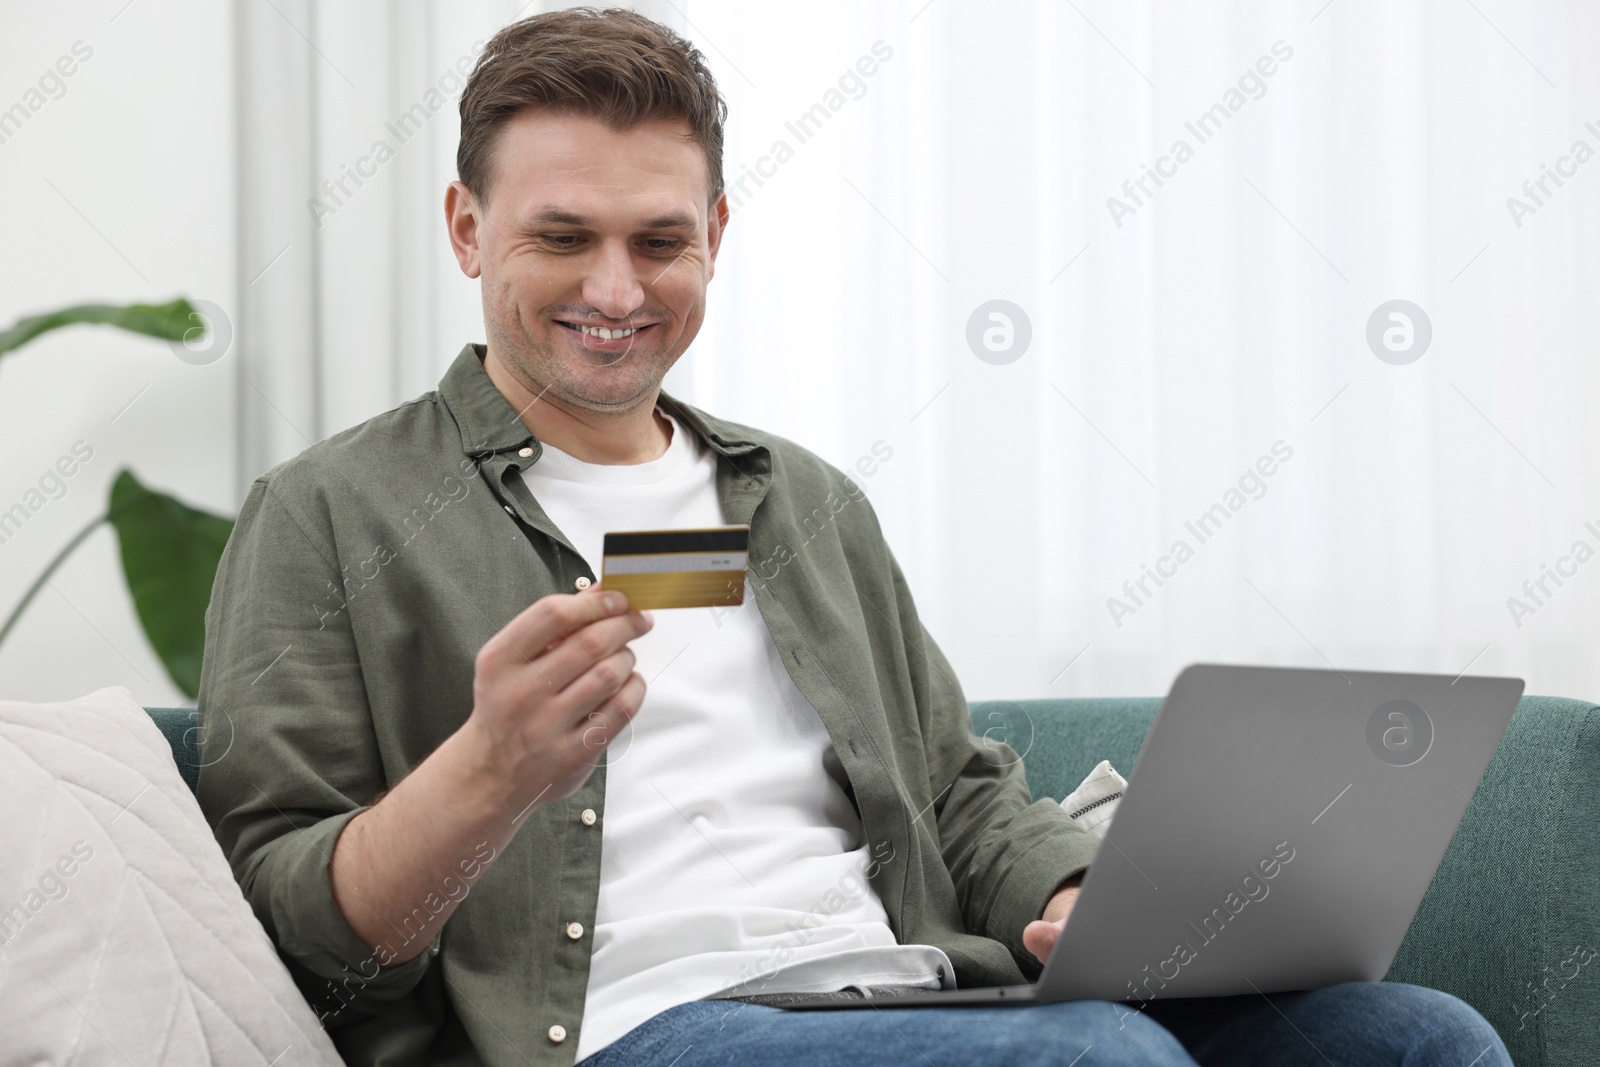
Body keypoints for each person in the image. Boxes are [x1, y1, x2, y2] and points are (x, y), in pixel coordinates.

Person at [196, 7, 1510, 1065]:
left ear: (714, 236)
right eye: (562, 237)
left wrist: (1065, 900)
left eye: (659, 240)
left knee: (1417, 1039)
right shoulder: (328, 513)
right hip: (628, 1029)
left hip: (909, 993)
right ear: (467, 228)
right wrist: (485, 770)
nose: (614, 288)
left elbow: (953, 787)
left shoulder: (804, 500)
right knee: (1099, 1061)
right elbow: (306, 936)